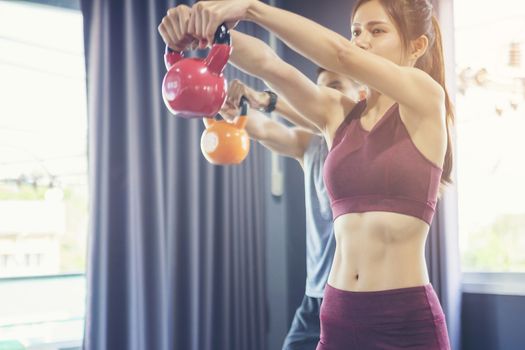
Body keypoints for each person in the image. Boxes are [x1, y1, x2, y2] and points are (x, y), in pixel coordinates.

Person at [159, 0, 453, 348]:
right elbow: (271, 66)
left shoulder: (426, 98)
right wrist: (205, 29)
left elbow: (341, 55)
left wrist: (251, 8)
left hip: (403, 321)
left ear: (417, 47)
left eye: (377, 31)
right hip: (338, 315)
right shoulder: (337, 114)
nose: (361, 41)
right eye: (356, 31)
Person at [219, 72, 362, 349]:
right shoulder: (308, 145)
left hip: (355, 300)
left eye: (334, 88)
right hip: (314, 298)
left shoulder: (367, 145)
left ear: (361, 96)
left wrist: (264, 100)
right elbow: (265, 130)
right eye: (316, 91)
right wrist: (233, 108)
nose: (321, 99)